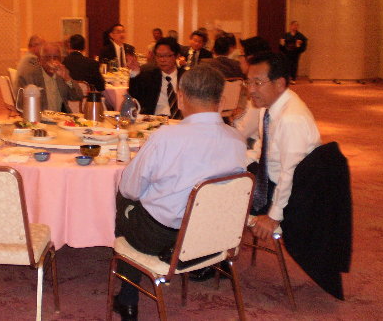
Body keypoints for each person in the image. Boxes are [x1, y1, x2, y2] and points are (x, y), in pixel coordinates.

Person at [112, 64, 247, 321]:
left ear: (181, 97)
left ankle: (128, 299)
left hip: (159, 237)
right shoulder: (237, 140)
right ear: (221, 101)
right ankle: (188, 258)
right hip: (211, 236)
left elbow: (130, 188)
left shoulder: (166, 137)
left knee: (123, 196)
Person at [244, 51, 321, 241]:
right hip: (268, 177)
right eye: (248, 82)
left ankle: (213, 253)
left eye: (257, 83)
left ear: (279, 83)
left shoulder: (291, 119)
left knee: (217, 198)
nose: (250, 90)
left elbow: (290, 173)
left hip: (288, 194)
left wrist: (273, 216)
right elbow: (263, 147)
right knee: (220, 176)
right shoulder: (269, 106)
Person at [128, 37, 185, 119]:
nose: (162, 60)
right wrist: (134, 73)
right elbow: (135, 96)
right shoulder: (149, 76)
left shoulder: (186, 77)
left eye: (166, 56)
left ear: (177, 56)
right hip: (155, 120)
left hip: (181, 122)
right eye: (159, 56)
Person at [17, 42, 83, 112]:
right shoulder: (30, 76)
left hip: (61, 117)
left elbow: (78, 96)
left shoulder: (62, 75)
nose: (52, 60)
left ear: (61, 59)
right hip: (39, 117)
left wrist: (67, 79)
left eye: (56, 57)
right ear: (40, 60)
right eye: (48, 57)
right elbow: (21, 104)